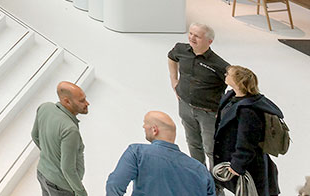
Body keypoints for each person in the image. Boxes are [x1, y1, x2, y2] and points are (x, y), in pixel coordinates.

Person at [105, 111, 216, 196]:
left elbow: (114, 184)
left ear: (154, 130)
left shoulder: (137, 153)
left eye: (145, 124)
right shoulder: (201, 170)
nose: (143, 127)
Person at [214, 65, 285, 196]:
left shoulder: (248, 111)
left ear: (237, 81)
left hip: (250, 165)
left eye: (228, 74)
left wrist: (237, 164)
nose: (225, 75)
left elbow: (247, 142)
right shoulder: (232, 97)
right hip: (233, 156)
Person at [169, 22, 229, 166]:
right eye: (190, 34)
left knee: (211, 149)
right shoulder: (181, 50)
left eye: (197, 36)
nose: (192, 38)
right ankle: (198, 176)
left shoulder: (220, 65)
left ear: (209, 41)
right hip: (185, 106)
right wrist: (174, 80)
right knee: (193, 143)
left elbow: (236, 86)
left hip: (208, 113)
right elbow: (171, 57)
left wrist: (224, 109)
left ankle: (215, 184)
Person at [32, 80, 90, 196]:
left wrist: (51, 156)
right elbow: (68, 169)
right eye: (82, 100)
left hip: (43, 174)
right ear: (67, 101)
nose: (87, 103)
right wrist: (81, 192)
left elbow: (35, 136)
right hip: (61, 187)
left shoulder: (44, 107)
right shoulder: (70, 130)